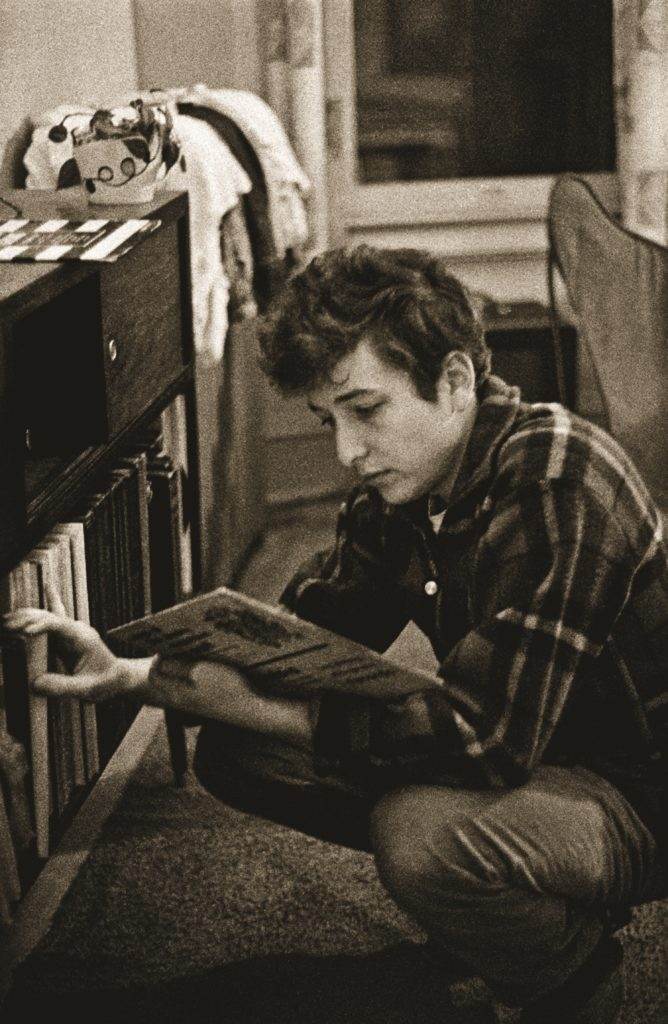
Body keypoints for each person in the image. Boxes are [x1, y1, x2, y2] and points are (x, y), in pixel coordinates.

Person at [3, 245, 666, 1024]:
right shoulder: (408, 488)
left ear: (455, 381)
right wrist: (137, 674)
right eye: (330, 421)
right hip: (538, 750)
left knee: (418, 834)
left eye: (367, 409)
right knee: (235, 749)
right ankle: (504, 905)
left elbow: (490, 738)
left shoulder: (557, 477)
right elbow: (300, 640)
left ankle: (575, 977)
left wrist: (264, 710)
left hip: (638, 789)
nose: (347, 453)